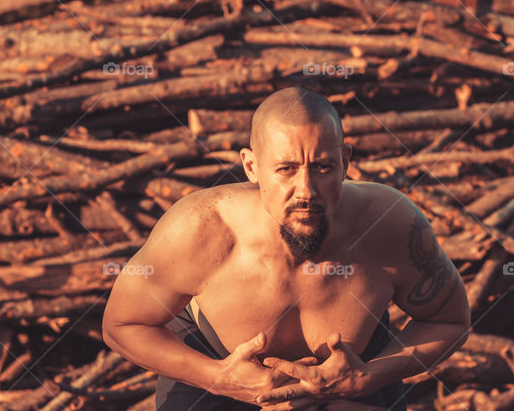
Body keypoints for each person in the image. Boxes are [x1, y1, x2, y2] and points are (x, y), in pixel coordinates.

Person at [102, 86, 471, 411]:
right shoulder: (200, 229)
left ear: (346, 161)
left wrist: (368, 377)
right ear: (251, 166)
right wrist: (219, 378)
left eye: (323, 167)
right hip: (215, 374)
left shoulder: (389, 224)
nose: (306, 190)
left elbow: (449, 319)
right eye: (286, 169)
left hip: (352, 379)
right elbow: (122, 324)